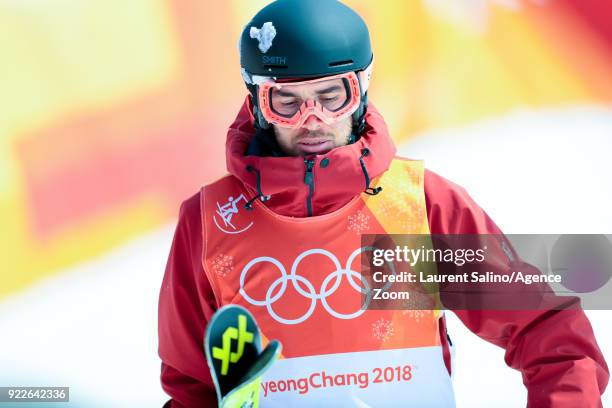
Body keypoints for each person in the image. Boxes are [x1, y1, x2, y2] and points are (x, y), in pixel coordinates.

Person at [157, 0, 609, 406]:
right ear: (257, 103)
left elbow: (548, 331)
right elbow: (190, 386)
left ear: (361, 90)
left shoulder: (416, 204)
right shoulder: (212, 221)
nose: (310, 120)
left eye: (331, 96)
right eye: (286, 102)